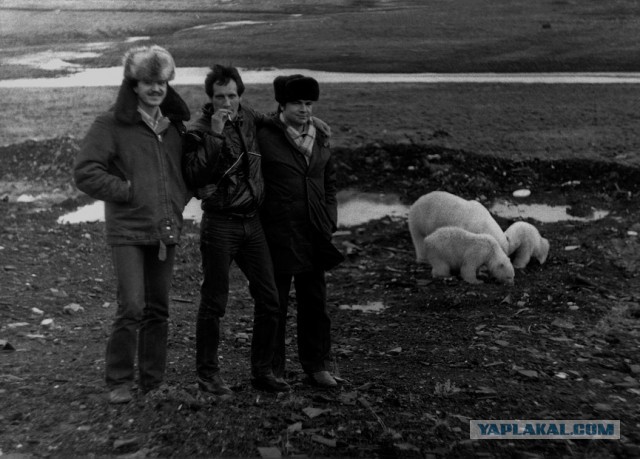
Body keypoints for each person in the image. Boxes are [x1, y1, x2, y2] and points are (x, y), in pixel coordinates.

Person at [73, 45, 191, 404]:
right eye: (147, 82)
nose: (156, 89)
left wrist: (177, 199)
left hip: (165, 230)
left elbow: (183, 174)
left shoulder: (174, 129)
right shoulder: (111, 123)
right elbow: (85, 172)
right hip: (126, 230)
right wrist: (127, 190)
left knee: (159, 308)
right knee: (133, 307)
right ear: (133, 85)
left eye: (162, 83)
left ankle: (153, 381)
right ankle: (119, 380)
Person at [182, 65, 290, 394]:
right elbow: (194, 176)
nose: (227, 102)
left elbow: (276, 122)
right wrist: (214, 134)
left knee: (270, 299)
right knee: (215, 302)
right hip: (220, 224)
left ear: (240, 95)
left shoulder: (248, 117)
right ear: (210, 98)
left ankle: (262, 372)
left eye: (232, 95)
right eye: (220, 97)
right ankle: (208, 375)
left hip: (252, 223)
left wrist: (311, 122)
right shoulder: (198, 128)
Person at [257, 75, 345, 388]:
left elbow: (329, 181)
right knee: (274, 304)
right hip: (277, 233)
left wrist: (329, 218)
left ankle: (317, 365)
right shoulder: (265, 135)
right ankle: (272, 370)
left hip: (314, 234)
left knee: (315, 302)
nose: (305, 110)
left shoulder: (320, 137)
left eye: (309, 104)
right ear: (282, 104)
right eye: (298, 103)